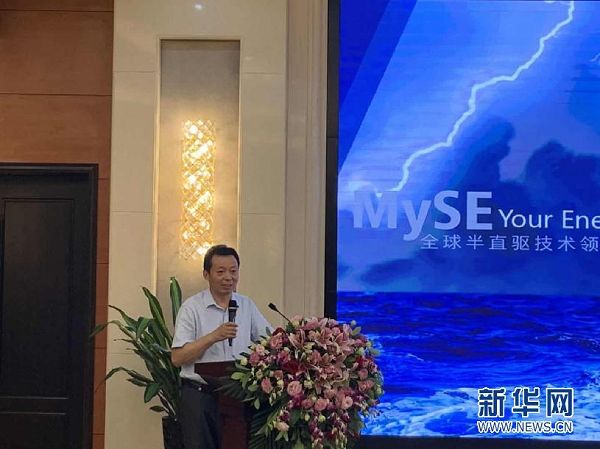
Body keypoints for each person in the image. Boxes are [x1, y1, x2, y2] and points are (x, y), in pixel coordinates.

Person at [171, 244, 272, 449]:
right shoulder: (191, 308)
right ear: (206, 274)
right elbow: (177, 357)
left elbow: (270, 342)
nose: (228, 277)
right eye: (221, 272)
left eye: (233, 271)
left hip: (237, 397)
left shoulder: (246, 305)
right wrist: (213, 337)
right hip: (200, 397)